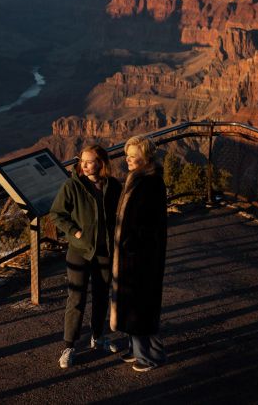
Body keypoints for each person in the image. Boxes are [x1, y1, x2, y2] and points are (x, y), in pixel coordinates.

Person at [50, 144, 122, 369]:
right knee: (77, 297)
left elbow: (120, 213)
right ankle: (69, 346)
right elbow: (57, 214)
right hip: (79, 250)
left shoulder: (113, 185)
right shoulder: (72, 185)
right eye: (83, 161)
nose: (85, 165)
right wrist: (75, 232)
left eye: (90, 161)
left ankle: (98, 336)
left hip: (105, 251)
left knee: (101, 295)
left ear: (101, 163)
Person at [111, 135, 168, 372]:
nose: (128, 159)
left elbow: (150, 223)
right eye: (127, 155)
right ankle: (136, 350)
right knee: (133, 302)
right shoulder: (138, 177)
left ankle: (149, 356)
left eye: (133, 156)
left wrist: (130, 244)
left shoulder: (151, 182)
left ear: (146, 157)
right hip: (132, 254)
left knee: (141, 305)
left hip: (142, 256)